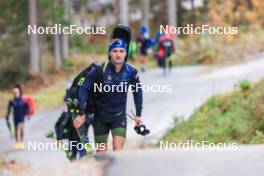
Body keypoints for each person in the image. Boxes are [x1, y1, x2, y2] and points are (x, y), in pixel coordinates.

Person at [73, 38, 143, 152]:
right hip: (100, 117)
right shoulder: (99, 69)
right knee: (101, 153)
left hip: (119, 116)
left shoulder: (131, 72)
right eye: (115, 51)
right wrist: (81, 112)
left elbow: (137, 92)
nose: (118, 54)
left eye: (121, 51)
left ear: (126, 53)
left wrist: (138, 114)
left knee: (118, 148)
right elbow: (84, 88)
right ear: (110, 53)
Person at [5, 84, 29, 149]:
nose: (15, 94)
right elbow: (9, 109)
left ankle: (21, 142)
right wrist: (7, 116)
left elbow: (27, 107)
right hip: (15, 117)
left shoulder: (23, 100)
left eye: (16, 92)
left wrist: (28, 114)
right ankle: (17, 142)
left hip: (22, 116)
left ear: (19, 92)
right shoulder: (12, 101)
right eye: (14, 93)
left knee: (21, 129)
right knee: (16, 129)